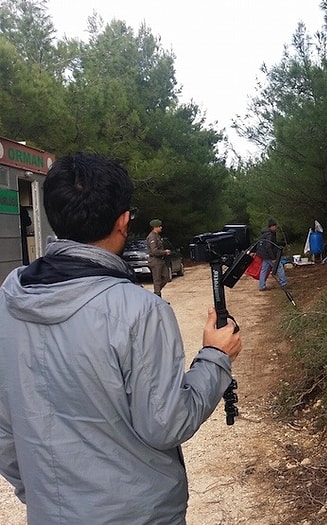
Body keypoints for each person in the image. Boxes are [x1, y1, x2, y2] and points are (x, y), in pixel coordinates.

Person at [0, 152, 242, 524]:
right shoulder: (139, 310)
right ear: (124, 221)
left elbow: (4, 427)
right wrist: (214, 356)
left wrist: (43, 497)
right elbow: (166, 424)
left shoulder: (9, 299)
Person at [257, 217, 288, 291]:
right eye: (275, 226)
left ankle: (262, 286)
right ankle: (283, 283)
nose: (276, 228)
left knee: (264, 269)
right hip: (268, 255)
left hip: (263, 254)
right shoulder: (269, 235)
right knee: (279, 267)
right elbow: (268, 247)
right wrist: (273, 258)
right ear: (272, 226)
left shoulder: (265, 233)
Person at [146, 218, 171, 297]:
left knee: (166, 277)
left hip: (160, 260)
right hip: (155, 261)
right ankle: (157, 296)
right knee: (157, 280)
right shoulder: (152, 237)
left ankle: (156, 293)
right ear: (155, 227)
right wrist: (165, 252)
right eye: (159, 226)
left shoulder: (157, 236)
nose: (161, 228)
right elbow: (154, 251)